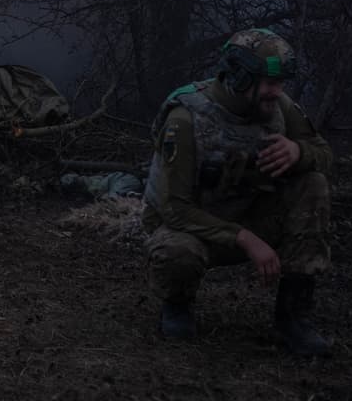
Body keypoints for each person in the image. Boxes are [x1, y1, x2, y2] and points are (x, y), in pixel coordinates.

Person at [142, 28, 333, 356]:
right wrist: (245, 238)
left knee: (313, 185)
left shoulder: (278, 108)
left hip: (249, 213)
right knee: (177, 253)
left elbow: (325, 155)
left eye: (280, 84)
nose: (277, 92)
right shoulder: (186, 118)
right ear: (241, 78)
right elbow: (175, 208)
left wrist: (299, 152)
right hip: (193, 230)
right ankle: (177, 305)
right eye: (270, 83)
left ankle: (293, 318)